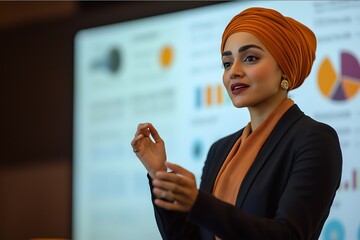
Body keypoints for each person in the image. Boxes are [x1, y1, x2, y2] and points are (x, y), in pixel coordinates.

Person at [131, 7, 342, 240]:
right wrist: (158, 173)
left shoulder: (314, 139)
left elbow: (288, 235)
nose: (234, 72)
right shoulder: (220, 150)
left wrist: (200, 204)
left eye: (250, 58)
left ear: (284, 68)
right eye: (227, 63)